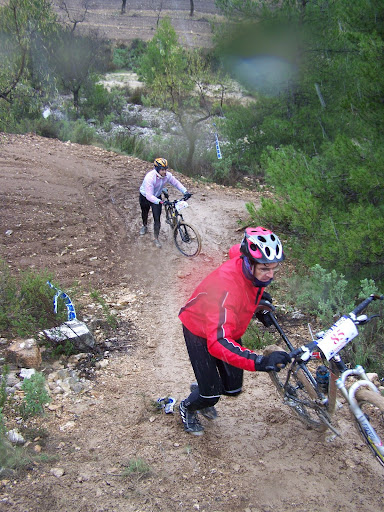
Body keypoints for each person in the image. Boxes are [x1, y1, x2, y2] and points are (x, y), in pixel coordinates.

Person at [178, 226, 291, 435]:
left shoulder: (246, 260)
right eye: (265, 269)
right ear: (249, 263)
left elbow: (234, 252)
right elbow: (218, 342)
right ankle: (187, 407)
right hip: (199, 329)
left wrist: (259, 305)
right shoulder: (225, 286)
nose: (270, 275)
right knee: (211, 394)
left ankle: (202, 387)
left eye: (274, 268)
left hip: (227, 325)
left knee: (233, 388)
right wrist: (259, 361)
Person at [139, 158, 191, 248]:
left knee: (157, 219)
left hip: (157, 195)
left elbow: (176, 183)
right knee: (145, 213)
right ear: (157, 169)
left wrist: (185, 191)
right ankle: (144, 225)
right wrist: (161, 201)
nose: (164, 172)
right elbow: (149, 196)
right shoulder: (150, 178)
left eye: (165, 169)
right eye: (162, 170)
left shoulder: (167, 175)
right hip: (145, 196)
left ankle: (156, 238)